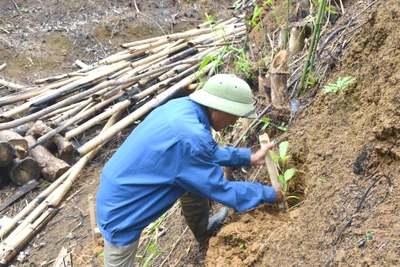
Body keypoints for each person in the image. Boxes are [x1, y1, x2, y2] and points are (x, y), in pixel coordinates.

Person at [96, 73, 283, 267]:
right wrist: (269, 193)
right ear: (217, 107)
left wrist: (249, 158)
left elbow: (206, 151)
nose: (235, 122)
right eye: (234, 114)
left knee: (193, 183)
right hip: (122, 210)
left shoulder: (184, 108)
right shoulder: (190, 138)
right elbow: (222, 190)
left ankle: (203, 231)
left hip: (119, 181)